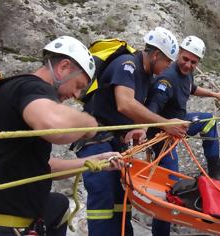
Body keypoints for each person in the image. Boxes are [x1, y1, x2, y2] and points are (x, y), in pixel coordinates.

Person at [0, 36, 123, 236]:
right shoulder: (32, 87)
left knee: (59, 205)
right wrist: (89, 123)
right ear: (64, 67)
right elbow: (52, 124)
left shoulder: (17, 92)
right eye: (78, 85)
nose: (77, 95)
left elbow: (45, 166)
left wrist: (94, 160)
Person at [73, 27, 188, 236]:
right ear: (155, 55)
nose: (169, 66)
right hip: (96, 140)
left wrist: (136, 127)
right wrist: (164, 124)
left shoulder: (146, 76)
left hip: (115, 141)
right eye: (167, 62)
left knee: (121, 200)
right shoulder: (127, 65)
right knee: (104, 198)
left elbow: (133, 110)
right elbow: (124, 104)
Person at [145, 35, 220, 236]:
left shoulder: (185, 73)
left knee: (209, 120)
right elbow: (151, 110)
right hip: (163, 136)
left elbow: (191, 88)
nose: (188, 65)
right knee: (170, 187)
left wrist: (215, 94)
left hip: (181, 124)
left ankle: (213, 169)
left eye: (193, 62)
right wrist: (166, 126)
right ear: (178, 55)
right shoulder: (166, 78)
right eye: (185, 59)